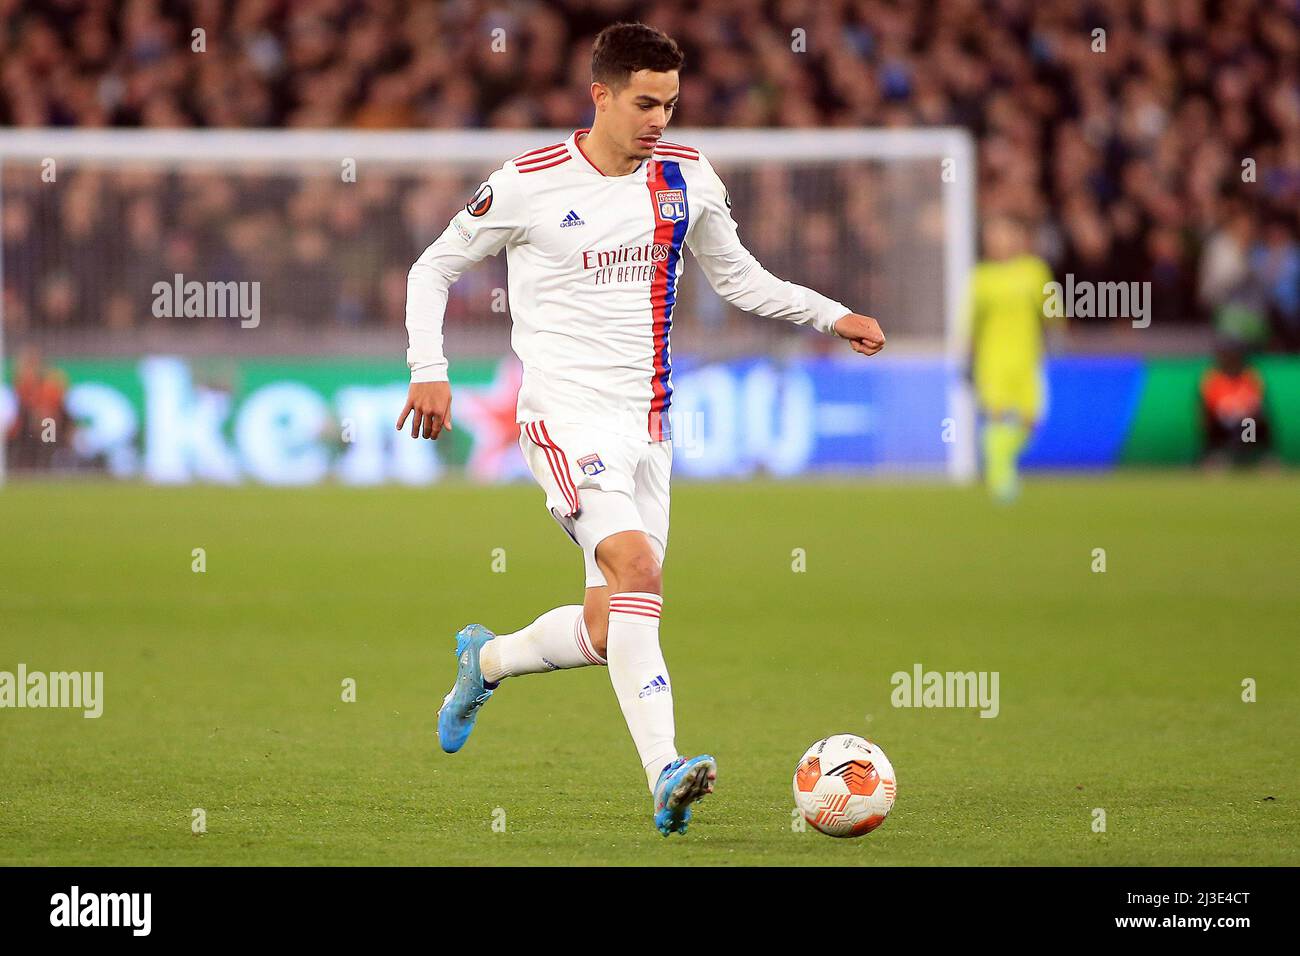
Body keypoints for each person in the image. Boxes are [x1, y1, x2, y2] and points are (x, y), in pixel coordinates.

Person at [396, 22, 885, 836]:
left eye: (671, 103)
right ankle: (666, 772)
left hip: (649, 427)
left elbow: (742, 279)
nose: (660, 118)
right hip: (561, 419)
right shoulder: (529, 182)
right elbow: (432, 267)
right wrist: (427, 366)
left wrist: (831, 315)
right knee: (638, 570)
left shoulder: (687, 176)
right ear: (601, 95)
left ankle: (483, 662)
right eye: (645, 102)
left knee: (605, 624)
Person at [967, 214, 1057, 502]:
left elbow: (1053, 312)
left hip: (1028, 360)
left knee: (1032, 422)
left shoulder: (1034, 271)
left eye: (1003, 234)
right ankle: (1000, 477)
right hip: (992, 362)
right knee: (997, 417)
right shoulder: (981, 277)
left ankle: (997, 459)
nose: (997, 241)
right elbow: (971, 324)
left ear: (1018, 238)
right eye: (992, 236)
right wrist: (968, 357)